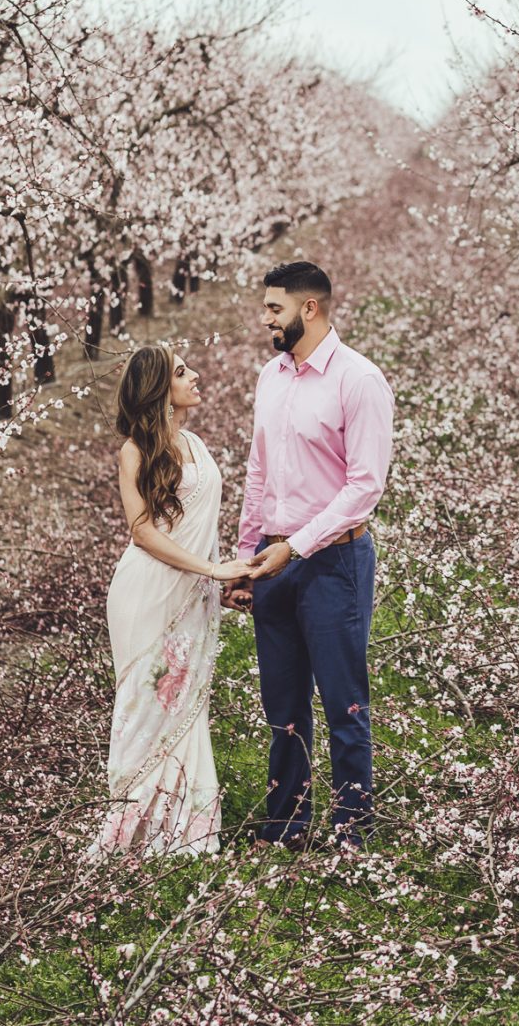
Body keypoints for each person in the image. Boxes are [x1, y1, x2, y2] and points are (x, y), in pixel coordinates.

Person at [224, 260, 394, 851]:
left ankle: (351, 832)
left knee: (344, 702)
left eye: (275, 308)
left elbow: (365, 486)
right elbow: (258, 470)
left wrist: (294, 547)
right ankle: (287, 826)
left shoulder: (359, 380)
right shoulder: (271, 376)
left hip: (333, 563)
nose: (265, 317)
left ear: (310, 309)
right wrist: (249, 554)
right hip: (273, 562)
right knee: (284, 703)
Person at [88, 344, 255, 860]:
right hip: (148, 593)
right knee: (147, 705)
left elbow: (199, 530)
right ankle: (131, 830)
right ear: (160, 391)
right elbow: (141, 532)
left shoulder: (197, 444)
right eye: (182, 372)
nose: (196, 375)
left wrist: (218, 582)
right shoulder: (134, 452)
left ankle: (186, 829)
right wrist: (212, 570)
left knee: (188, 705)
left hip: (193, 591)